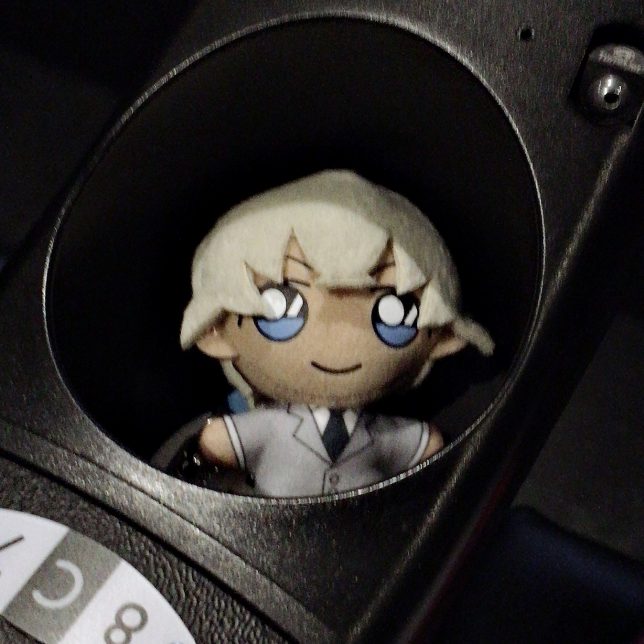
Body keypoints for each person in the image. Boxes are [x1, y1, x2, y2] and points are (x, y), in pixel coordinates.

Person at [179, 170, 493, 497]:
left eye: (396, 311)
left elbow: (426, 444)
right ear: (215, 333)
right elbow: (219, 442)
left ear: (442, 338)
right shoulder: (270, 426)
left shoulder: (382, 434)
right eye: (281, 308)